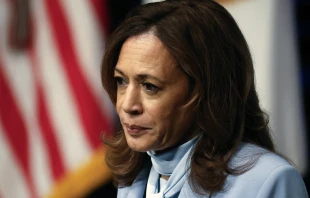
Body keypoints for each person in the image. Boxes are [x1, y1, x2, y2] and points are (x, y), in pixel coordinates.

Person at [101, 0, 309, 197]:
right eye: (121, 81)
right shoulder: (134, 177)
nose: (127, 105)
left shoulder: (268, 181)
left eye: (150, 86)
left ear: (207, 92)